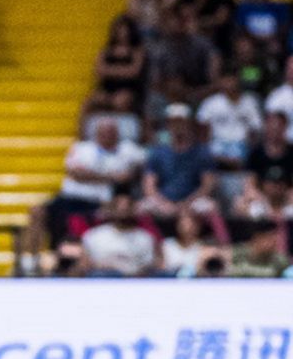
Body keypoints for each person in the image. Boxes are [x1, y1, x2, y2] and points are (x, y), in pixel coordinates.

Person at [34, 116, 146, 253]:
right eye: (103, 132)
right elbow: (75, 173)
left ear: (117, 134)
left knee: (119, 211)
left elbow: (133, 174)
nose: (107, 136)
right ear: (96, 133)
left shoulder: (128, 150)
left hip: (101, 202)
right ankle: (33, 257)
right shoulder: (81, 148)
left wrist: (91, 174)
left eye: (111, 132)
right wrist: (111, 176)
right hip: (70, 198)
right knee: (38, 211)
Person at [142, 104, 222, 229]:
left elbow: (208, 185)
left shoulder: (202, 152)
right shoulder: (157, 152)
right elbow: (149, 186)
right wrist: (164, 204)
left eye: (181, 122)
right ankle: (150, 240)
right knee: (142, 208)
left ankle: (221, 240)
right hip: (163, 201)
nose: (178, 126)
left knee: (211, 207)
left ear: (189, 124)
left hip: (193, 201)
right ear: (167, 124)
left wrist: (186, 204)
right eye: (173, 122)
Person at [147, 5, 220, 119]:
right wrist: (173, 93)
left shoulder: (202, 45)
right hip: (168, 94)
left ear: (185, 23)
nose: (175, 25)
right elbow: (155, 81)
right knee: (153, 99)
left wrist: (194, 93)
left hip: (197, 93)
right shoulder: (159, 49)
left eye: (180, 21)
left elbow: (215, 79)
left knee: (215, 100)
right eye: (172, 21)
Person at [80, 189, 158, 276]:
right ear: (109, 209)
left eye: (127, 205)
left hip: (131, 280)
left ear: (134, 209)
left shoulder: (145, 238)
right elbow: (84, 266)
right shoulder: (93, 235)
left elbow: (148, 268)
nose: (122, 208)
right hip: (99, 279)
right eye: (117, 206)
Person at [195, 72, 261, 168]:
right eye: (226, 80)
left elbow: (256, 128)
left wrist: (250, 148)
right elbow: (202, 129)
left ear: (237, 80)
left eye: (232, 80)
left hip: (242, 146)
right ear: (221, 81)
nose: (229, 84)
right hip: (217, 145)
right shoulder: (210, 103)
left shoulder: (250, 102)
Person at [91, 15, 147, 116]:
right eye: (119, 30)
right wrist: (123, 70)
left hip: (129, 88)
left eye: (124, 30)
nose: (122, 33)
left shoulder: (136, 50)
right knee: (92, 101)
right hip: (108, 87)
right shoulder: (107, 50)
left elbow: (134, 72)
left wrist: (110, 70)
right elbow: (99, 70)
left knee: (119, 101)